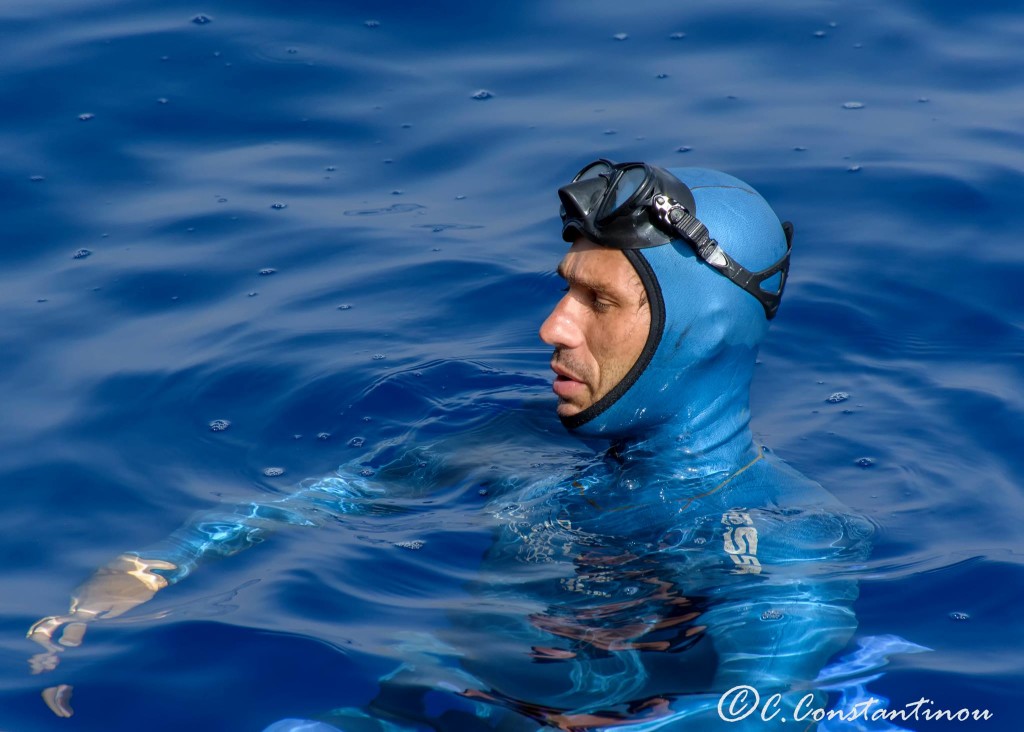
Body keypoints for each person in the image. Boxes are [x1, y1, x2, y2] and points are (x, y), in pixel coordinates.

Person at [28, 160, 891, 730]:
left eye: (599, 302)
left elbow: (762, 709)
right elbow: (327, 501)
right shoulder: (511, 443)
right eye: (565, 293)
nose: (552, 327)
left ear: (696, 333)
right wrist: (147, 572)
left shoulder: (780, 535)